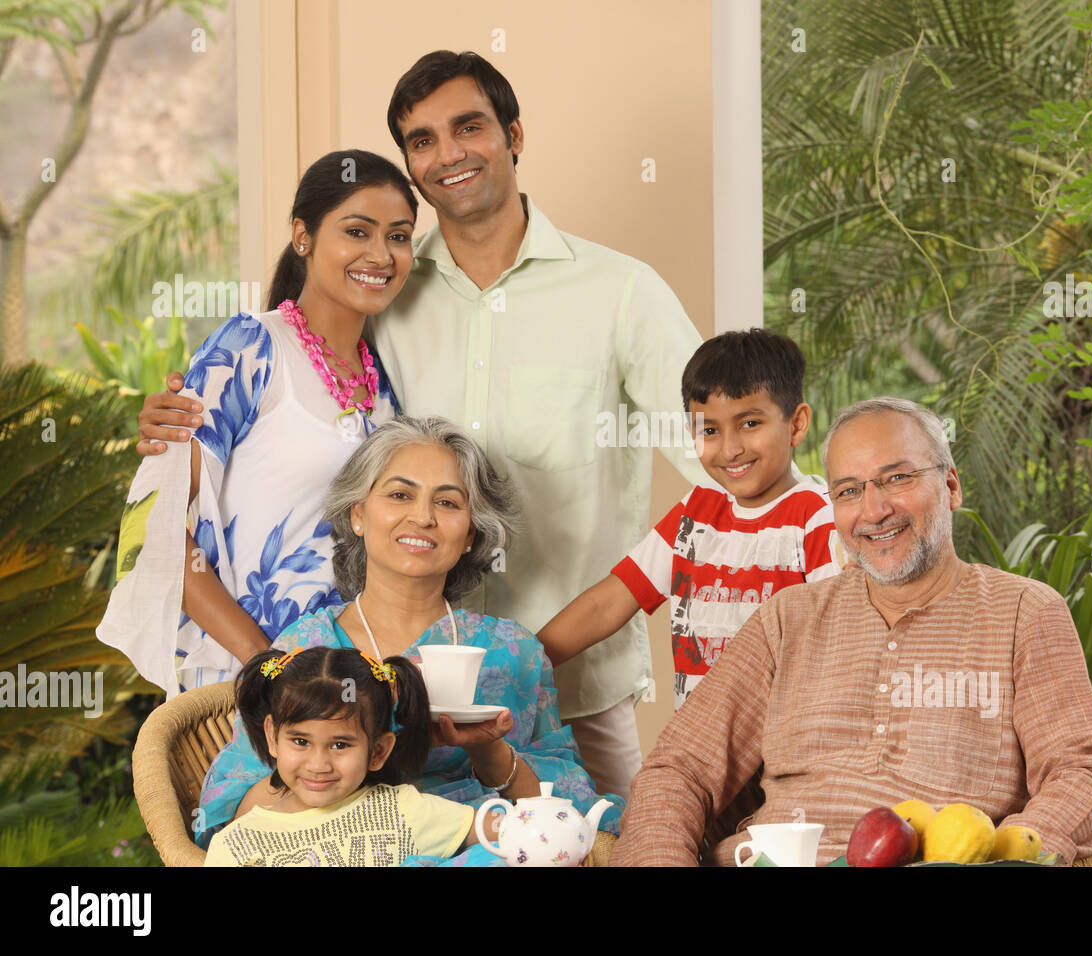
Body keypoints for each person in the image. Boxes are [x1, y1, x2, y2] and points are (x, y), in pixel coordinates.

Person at [133, 51, 707, 798]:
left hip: (565, 683)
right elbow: (173, 511)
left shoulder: (622, 292)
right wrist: (167, 426)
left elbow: (726, 470)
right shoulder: (384, 297)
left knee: (619, 845)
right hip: (354, 696)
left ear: (514, 135)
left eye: (469, 127)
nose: (448, 154)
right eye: (422, 140)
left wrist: (572, 630)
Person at [610, 397, 1092, 866]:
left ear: (950, 485)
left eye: (897, 479)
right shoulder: (787, 618)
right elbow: (678, 769)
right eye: (850, 490)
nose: (874, 510)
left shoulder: (1025, 611)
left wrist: (1015, 853)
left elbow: (1082, 773)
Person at [195, 416, 620, 865]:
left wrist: (486, 750)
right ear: (357, 514)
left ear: (470, 533)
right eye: (400, 495)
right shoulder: (305, 647)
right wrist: (355, 744)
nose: (423, 517)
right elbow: (231, 815)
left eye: (448, 503)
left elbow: (566, 810)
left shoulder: (513, 653)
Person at [98, 150, 414, 696]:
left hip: (349, 691)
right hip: (243, 683)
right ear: (303, 236)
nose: (381, 255)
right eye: (357, 232)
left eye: (400, 236)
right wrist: (264, 664)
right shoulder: (249, 349)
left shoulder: (386, 382)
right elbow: (158, 522)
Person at [538, 328, 841, 711]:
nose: (731, 449)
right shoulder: (695, 513)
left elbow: (841, 642)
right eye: (710, 431)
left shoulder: (818, 517)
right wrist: (523, 662)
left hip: (785, 752)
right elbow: (608, 603)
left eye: (750, 424)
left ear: (796, 424)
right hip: (698, 750)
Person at [204, 646, 499, 866]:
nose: (318, 765)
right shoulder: (236, 845)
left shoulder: (402, 810)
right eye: (300, 741)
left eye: (340, 745)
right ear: (272, 737)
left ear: (378, 751)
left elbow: (509, 829)